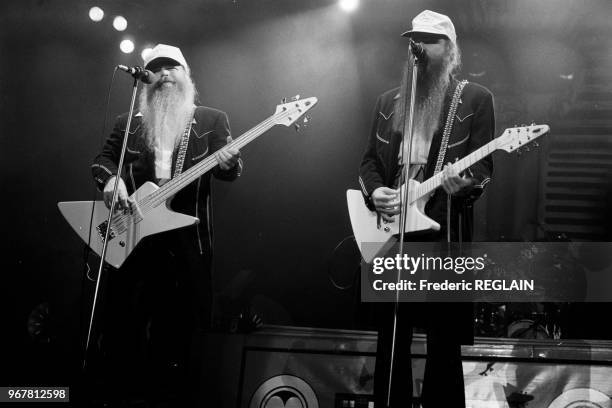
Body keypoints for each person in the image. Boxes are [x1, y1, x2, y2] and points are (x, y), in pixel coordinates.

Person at [90, 44, 242, 406]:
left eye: (172, 67)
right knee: (123, 331)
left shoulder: (210, 119)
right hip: (134, 241)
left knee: (177, 336)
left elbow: (233, 171)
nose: (164, 74)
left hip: (186, 245)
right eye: (156, 69)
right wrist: (111, 181)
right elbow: (102, 160)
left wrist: (227, 164)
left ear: (187, 76)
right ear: (146, 80)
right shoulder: (129, 123)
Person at [358, 10, 495, 408]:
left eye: (430, 39)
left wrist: (464, 183)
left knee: (443, 341)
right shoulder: (388, 101)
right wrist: (377, 191)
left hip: (442, 232)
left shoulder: (473, 99)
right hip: (392, 230)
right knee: (392, 336)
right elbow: (368, 160)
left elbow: (483, 166)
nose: (418, 46)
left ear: (450, 49)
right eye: (414, 38)